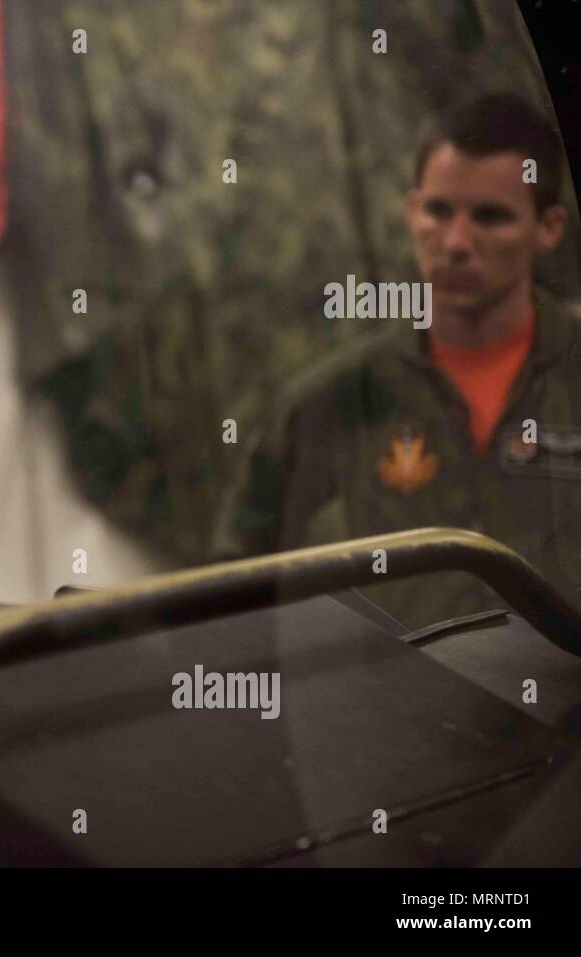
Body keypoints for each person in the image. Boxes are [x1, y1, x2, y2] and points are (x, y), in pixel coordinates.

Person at [216, 92, 581, 628]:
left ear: (548, 227)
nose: (456, 242)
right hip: (406, 709)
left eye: (490, 217)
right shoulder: (343, 394)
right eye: (439, 211)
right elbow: (233, 580)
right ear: (412, 211)